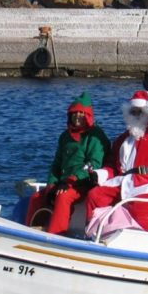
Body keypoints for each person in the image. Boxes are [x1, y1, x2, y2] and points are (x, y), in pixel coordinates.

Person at [85, 69, 148, 233]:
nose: (137, 115)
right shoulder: (122, 140)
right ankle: (95, 234)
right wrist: (99, 174)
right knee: (94, 196)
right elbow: (113, 167)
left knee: (141, 209)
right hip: (126, 182)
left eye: (140, 111)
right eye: (133, 111)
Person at [26, 92, 110, 235]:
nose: (77, 116)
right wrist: (52, 184)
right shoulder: (65, 136)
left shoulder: (95, 136)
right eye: (74, 113)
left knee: (63, 197)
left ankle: (56, 235)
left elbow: (94, 164)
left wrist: (71, 181)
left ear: (88, 115)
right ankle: (28, 232)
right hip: (64, 182)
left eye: (81, 113)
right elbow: (57, 163)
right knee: (36, 198)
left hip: (85, 183)